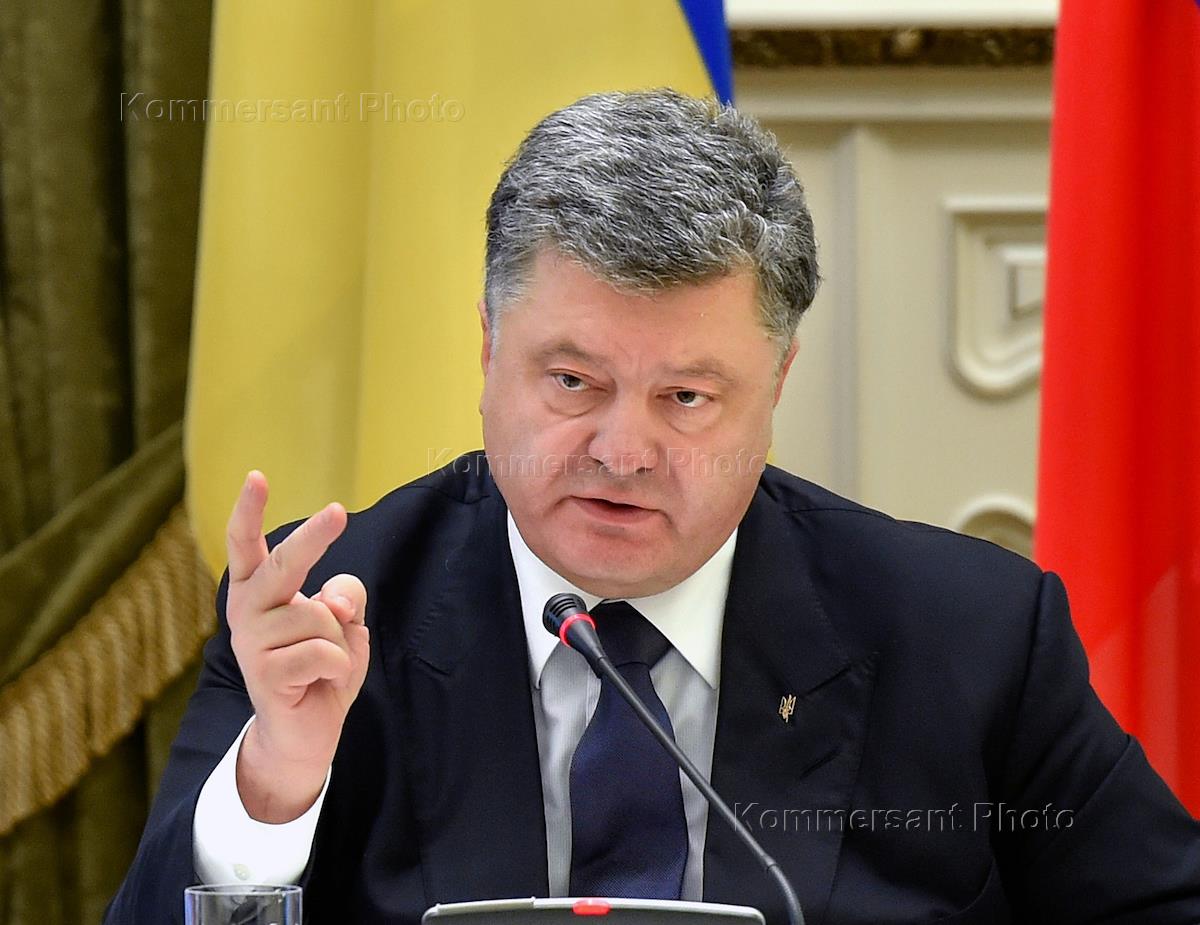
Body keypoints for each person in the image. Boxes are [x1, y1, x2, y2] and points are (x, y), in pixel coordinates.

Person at [106, 89, 1200, 924]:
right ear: (488, 351)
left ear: (777, 382)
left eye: (686, 398)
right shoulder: (330, 613)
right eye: (572, 381)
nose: (622, 453)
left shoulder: (968, 635)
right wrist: (277, 784)